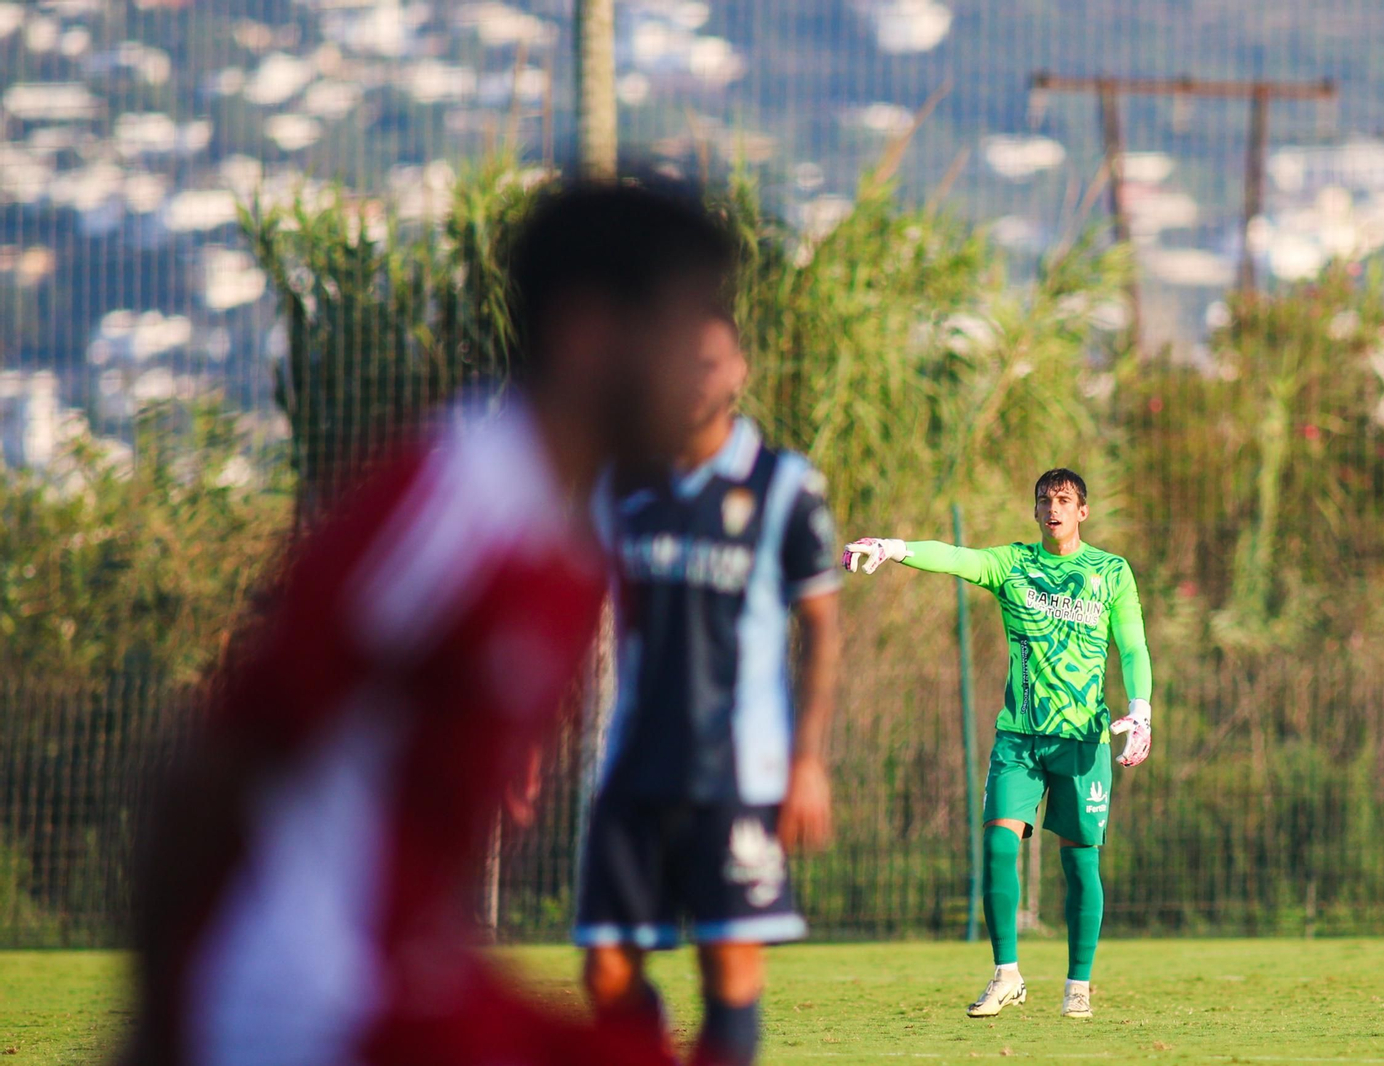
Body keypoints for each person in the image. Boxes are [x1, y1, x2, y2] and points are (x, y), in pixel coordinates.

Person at [120, 182, 739, 1066]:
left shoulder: (578, 543)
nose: (708, 364)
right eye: (689, 327)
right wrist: (156, 1025)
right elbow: (218, 759)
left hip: (404, 977)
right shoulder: (454, 504)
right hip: (312, 1006)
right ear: (589, 333)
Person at [575, 312, 843, 1066]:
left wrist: (808, 758)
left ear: (738, 372)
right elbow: (568, 606)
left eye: (710, 363)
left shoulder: (782, 485)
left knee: (728, 963)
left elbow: (822, 622)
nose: (694, 378)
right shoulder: (621, 481)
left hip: (739, 772)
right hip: (633, 765)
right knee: (606, 971)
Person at [840, 469, 1152, 1021]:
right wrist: (895, 548)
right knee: (998, 848)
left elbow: (1131, 642)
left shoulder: (1110, 571)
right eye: (1043, 500)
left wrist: (1141, 707)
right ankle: (1006, 974)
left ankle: (1078, 984)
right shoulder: (1013, 565)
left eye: (1063, 500)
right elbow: (957, 557)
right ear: (1034, 512)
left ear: (1083, 511)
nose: (1052, 508)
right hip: (1019, 736)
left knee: (1081, 865)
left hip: (1083, 739)